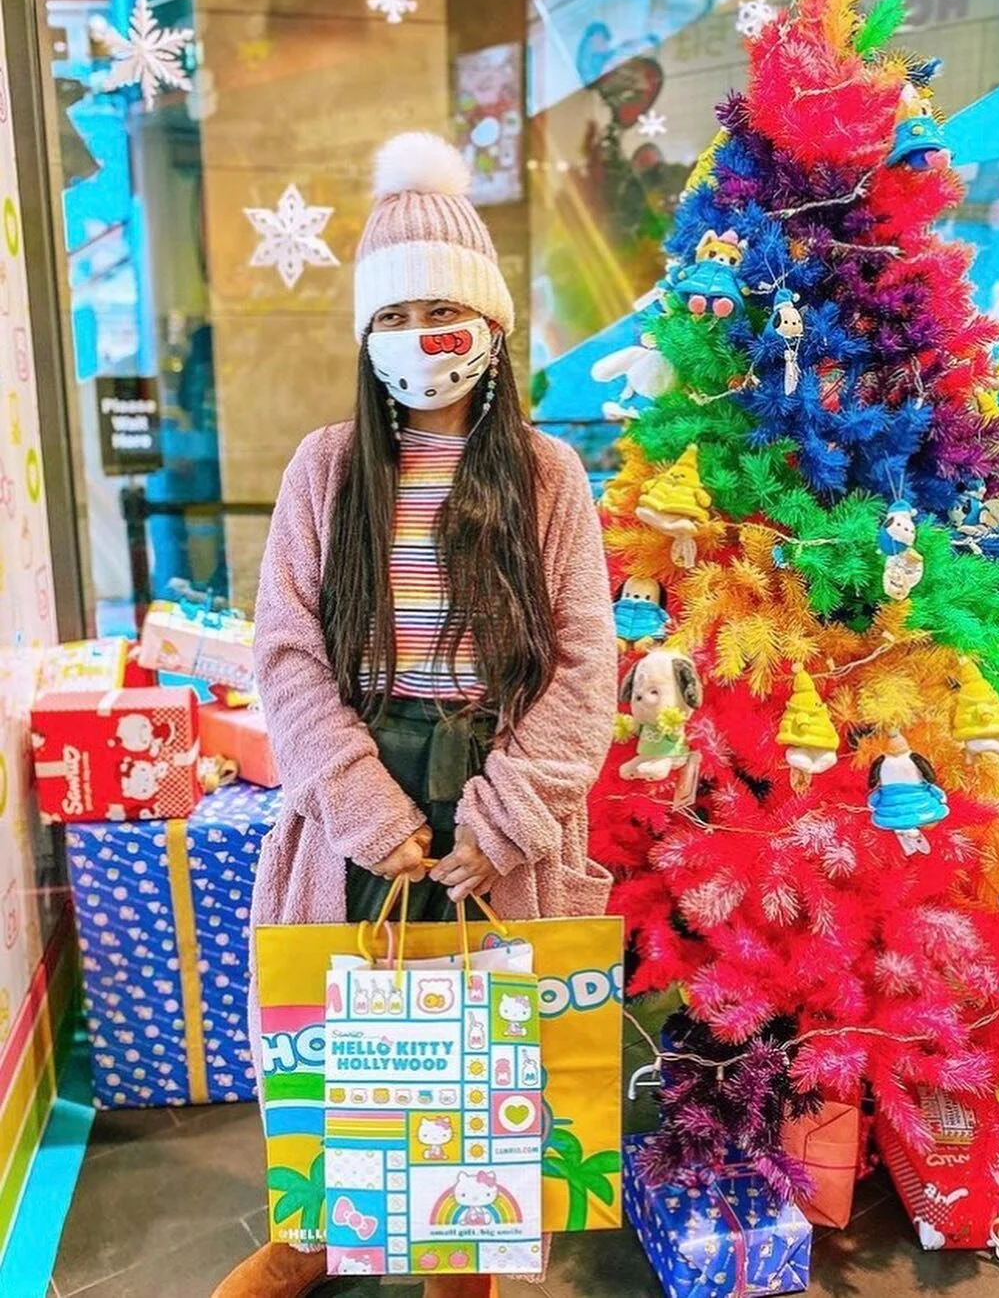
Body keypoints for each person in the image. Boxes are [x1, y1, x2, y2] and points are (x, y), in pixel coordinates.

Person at [213, 132, 617, 1298]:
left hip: (495, 786)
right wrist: (357, 800)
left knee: (486, 1058)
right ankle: (310, 1236)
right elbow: (286, 651)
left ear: (491, 327)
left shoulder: (547, 475)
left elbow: (583, 665)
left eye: (443, 312)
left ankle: (461, 1259)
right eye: (392, 316)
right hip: (362, 788)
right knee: (347, 1043)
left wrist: (507, 816)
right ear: (364, 336)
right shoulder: (325, 468)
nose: (419, 338)